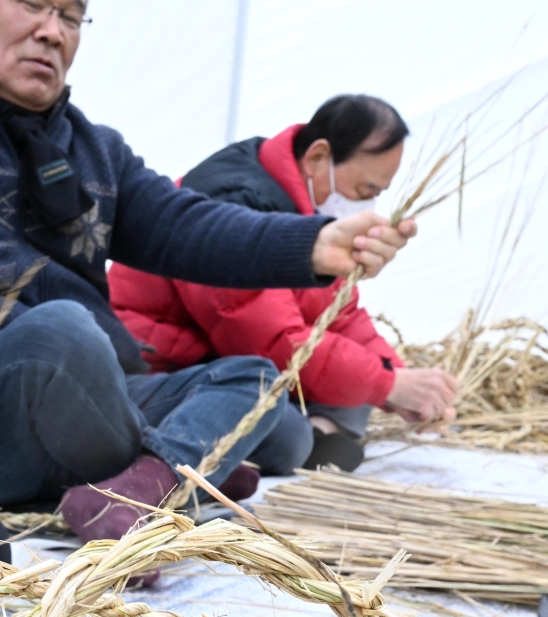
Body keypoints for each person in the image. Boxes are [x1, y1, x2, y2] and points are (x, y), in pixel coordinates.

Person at [0, 0, 416, 557]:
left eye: (72, 16)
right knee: (63, 332)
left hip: (89, 392)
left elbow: (186, 224)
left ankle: (144, 484)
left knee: (272, 408)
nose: (52, 31)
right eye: (31, 3)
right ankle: (179, 474)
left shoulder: (97, 152)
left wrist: (314, 243)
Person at [109, 95, 458, 473]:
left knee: (357, 384)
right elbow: (271, 340)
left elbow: (340, 313)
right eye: (363, 192)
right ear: (317, 158)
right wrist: (388, 385)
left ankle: (315, 435)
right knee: (286, 429)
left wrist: (401, 382)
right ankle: (301, 442)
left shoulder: (310, 213)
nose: (367, 208)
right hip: (162, 366)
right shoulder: (230, 204)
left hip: (232, 359)